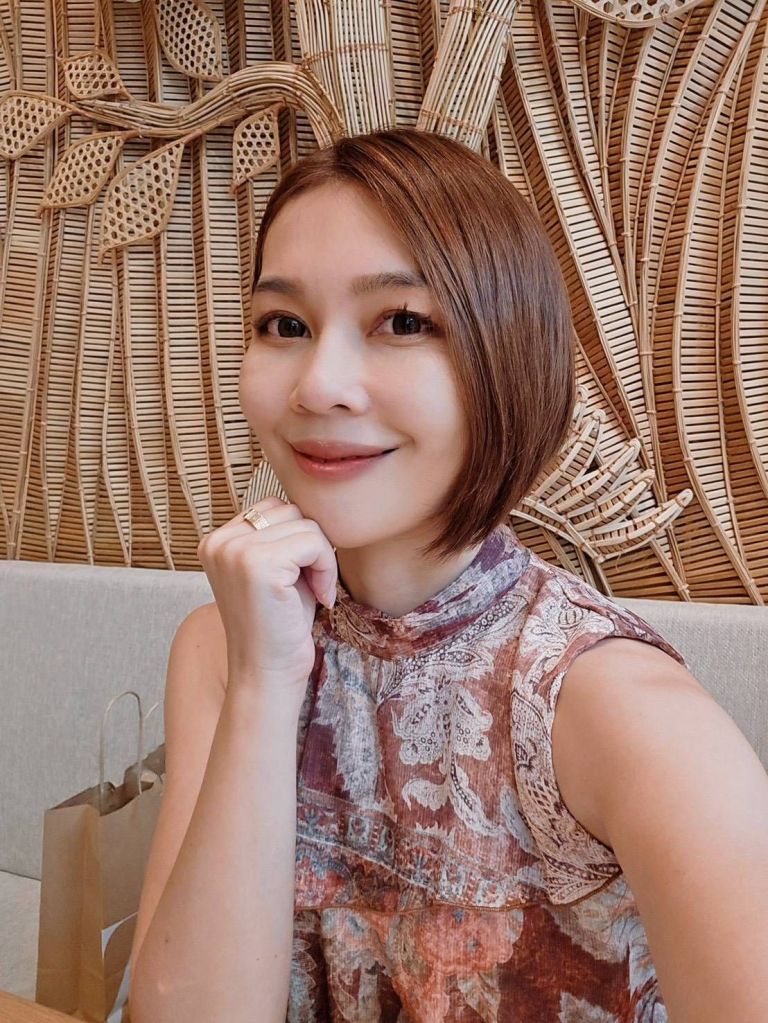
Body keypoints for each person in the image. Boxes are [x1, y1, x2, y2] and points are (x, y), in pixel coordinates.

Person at [127, 128, 768, 1022]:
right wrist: (265, 682)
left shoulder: (614, 707)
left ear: (507, 358)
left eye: (402, 322)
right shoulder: (224, 646)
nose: (319, 384)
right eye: (285, 325)